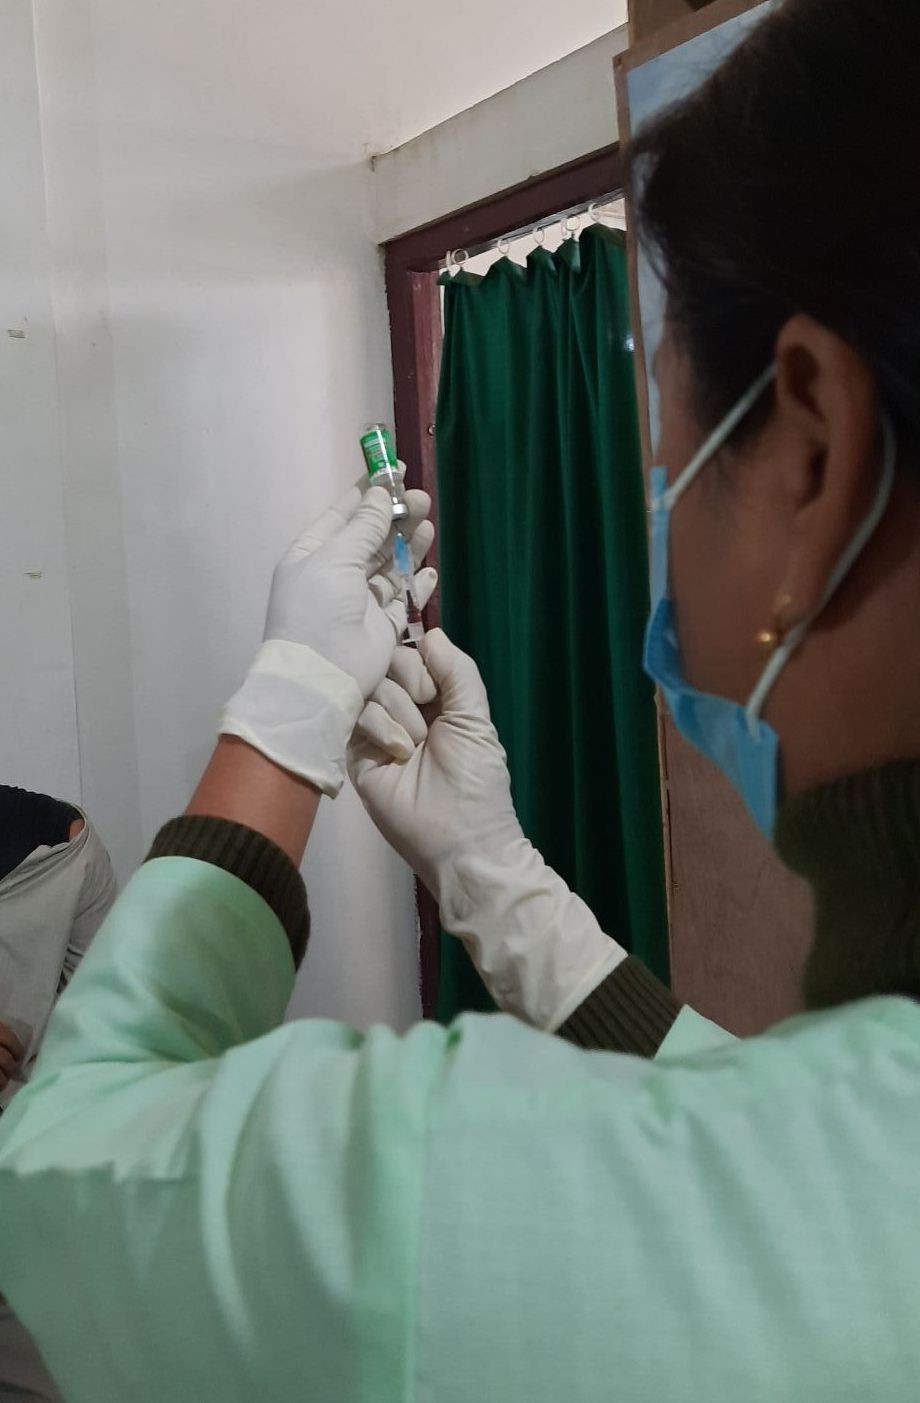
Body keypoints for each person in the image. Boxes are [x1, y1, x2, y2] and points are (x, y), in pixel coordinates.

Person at [1, 0, 919, 1396]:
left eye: (668, 464)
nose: (656, 524)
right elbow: (753, 1117)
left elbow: (61, 1168)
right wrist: (496, 876)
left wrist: (284, 712)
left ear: (811, 450)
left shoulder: (440, 1201)